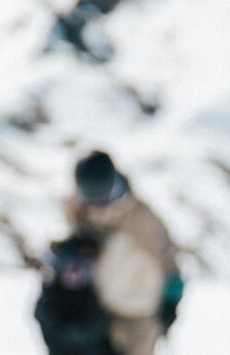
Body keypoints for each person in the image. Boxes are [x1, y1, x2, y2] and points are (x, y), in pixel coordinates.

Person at [64, 151, 182, 355]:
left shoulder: (142, 220)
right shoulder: (79, 212)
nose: (96, 208)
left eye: (102, 200)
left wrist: (171, 301)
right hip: (99, 312)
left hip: (139, 316)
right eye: (90, 200)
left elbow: (169, 259)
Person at [34, 232, 114, 355]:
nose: (75, 274)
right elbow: (56, 334)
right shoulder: (50, 299)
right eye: (70, 267)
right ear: (59, 268)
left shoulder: (97, 297)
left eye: (83, 267)